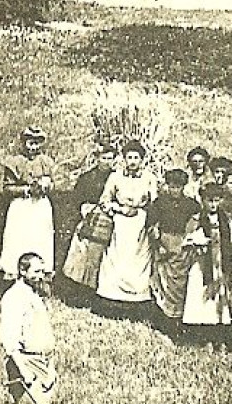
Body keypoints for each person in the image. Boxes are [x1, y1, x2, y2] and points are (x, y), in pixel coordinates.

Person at [0, 253, 56, 404]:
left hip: (42, 362)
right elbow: (9, 339)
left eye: (42, 271)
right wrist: (23, 369)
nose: (40, 275)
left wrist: (50, 366)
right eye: (36, 271)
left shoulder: (34, 294)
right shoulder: (13, 298)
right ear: (23, 272)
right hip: (25, 363)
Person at [93, 140, 155, 310]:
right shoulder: (115, 177)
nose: (133, 161)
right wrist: (118, 208)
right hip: (120, 222)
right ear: (124, 159)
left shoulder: (149, 178)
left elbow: (155, 203)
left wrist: (146, 214)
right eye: (129, 157)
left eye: (136, 157)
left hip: (140, 223)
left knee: (137, 260)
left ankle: (137, 301)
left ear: (142, 160)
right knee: (116, 257)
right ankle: (111, 299)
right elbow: (104, 200)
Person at [180, 182, 232, 348]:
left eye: (216, 200)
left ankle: (219, 337)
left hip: (221, 263)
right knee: (202, 300)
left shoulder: (228, 220)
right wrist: (196, 243)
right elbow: (185, 242)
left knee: (220, 300)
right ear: (202, 200)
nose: (213, 205)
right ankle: (203, 336)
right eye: (209, 201)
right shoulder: (196, 219)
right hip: (201, 265)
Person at [0, 127, 57, 280]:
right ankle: (16, 273)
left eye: (37, 144)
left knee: (39, 238)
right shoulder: (15, 162)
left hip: (40, 207)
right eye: (30, 144)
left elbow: (53, 184)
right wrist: (26, 189)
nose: (33, 148)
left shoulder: (45, 162)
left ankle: (39, 273)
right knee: (20, 238)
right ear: (24, 143)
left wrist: (46, 185)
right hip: (22, 206)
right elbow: (7, 188)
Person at [61, 141, 117, 294]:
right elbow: (77, 200)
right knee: (82, 253)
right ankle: (79, 288)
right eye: (104, 158)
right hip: (89, 217)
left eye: (110, 158)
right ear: (97, 159)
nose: (107, 162)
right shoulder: (87, 177)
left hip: (110, 218)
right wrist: (85, 210)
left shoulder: (116, 177)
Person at [148, 168, 197, 327]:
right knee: (163, 280)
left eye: (178, 186)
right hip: (164, 242)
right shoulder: (159, 202)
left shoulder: (190, 204)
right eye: (172, 186)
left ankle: (179, 317)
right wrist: (158, 243)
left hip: (182, 244)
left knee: (180, 282)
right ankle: (164, 317)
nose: (175, 190)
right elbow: (152, 225)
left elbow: (196, 222)